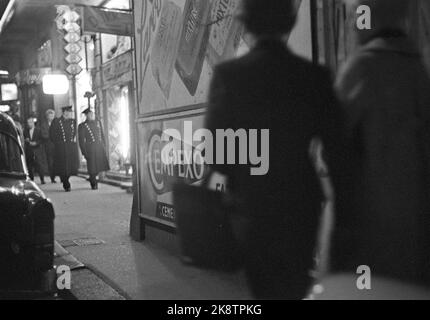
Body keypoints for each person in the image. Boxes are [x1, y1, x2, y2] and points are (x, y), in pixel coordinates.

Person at [205, 0, 345, 299]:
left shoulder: (230, 75)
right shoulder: (313, 76)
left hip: (252, 206)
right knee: (295, 283)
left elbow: (217, 154)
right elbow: (339, 149)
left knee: (263, 287)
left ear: (247, 24)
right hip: (301, 205)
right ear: (289, 22)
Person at [331, 0, 430, 286]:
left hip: (370, 222)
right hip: (415, 223)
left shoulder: (362, 67)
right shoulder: (418, 71)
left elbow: (335, 144)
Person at [78, 108, 110, 190]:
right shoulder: (82, 126)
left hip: (99, 147)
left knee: (99, 166)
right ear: (86, 116)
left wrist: (104, 145)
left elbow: (102, 135)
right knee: (92, 167)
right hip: (90, 148)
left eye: (92, 114)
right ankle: (93, 183)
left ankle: (94, 179)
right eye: (90, 114)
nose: (92, 115)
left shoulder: (98, 122)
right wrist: (84, 152)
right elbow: (81, 140)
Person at [49, 106, 79, 192]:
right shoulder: (57, 121)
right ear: (65, 112)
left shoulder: (73, 121)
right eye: (69, 112)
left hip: (70, 147)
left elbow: (73, 134)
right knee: (62, 166)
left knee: (70, 165)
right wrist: (58, 144)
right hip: (60, 147)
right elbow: (52, 134)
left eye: (71, 112)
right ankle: (66, 182)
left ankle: (66, 178)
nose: (70, 114)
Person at [23, 117, 48, 184]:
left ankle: (42, 179)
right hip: (29, 150)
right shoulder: (25, 131)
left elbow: (42, 139)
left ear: (33, 123)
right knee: (30, 166)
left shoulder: (38, 130)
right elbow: (24, 139)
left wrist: (36, 143)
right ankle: (31, 179)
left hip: (37, 150)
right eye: (28, 123)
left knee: (39, 165)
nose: (29, 124)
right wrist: (27, 141)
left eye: (30, 122)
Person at [41, 109, 57, 183]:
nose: (51, 117)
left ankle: (59, 175)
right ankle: (52, 177)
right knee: (50, 162)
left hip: (57, 145)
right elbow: (43, 135)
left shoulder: (57, 123)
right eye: (50, 115)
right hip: (48, 146)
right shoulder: (44, 125)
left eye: (52, 115)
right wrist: (52, 136)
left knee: (56, 162)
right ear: (47, 116)